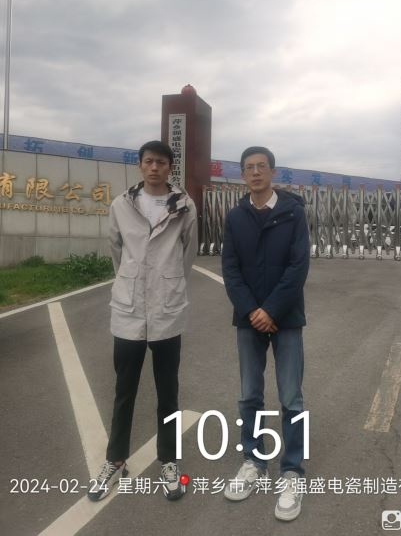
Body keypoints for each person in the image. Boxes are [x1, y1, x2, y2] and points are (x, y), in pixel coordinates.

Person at [88, 140, 197, 502]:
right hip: (129, 310)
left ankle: (169, 460)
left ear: (169, 167)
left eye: (161, 162)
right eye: (149, 161)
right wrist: (131, 281)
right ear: (140, 165)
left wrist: (168, 282)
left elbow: (188, 253)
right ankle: (116, 459)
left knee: (168, 391)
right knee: (124, 390)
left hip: (167, 310)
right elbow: (116, 250)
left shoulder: (183, 205)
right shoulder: (122, 204)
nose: (154, 167)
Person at [222, 146, 310, 521]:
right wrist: (252, 311)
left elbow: (298, 265)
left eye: (261, 166)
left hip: (285, 317)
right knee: (249, 394)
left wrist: (271, 310)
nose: (255, 172)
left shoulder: (293, 212)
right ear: (243, 175)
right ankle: (253, 462)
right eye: (249, 168)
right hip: (248, 319)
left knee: (291, 397)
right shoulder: (235, 216)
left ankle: (292, 472)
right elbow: (230, 269)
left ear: (273, 172)